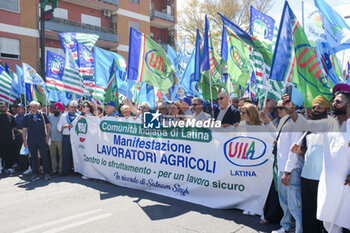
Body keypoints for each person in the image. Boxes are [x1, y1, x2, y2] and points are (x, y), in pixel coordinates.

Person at [290, 96, 330, 233]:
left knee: (323, 213)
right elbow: (307, 150)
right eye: (314, 107)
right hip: (307, 175)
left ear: (327, 109)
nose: (316, 109)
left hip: (324, 177)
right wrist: (299, 150)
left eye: (320, 107)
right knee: (308, 211)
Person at [272, 87, 304, 233]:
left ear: (294, 105)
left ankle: (298, 228)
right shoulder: (287, 121)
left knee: (294, 204)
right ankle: (287, 226)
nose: (283, 105)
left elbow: (294, 151)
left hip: (291, 169)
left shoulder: (299, 120)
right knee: (284, 202)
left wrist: (288, 172)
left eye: (287, 102)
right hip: (283, 168)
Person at [22, 101, 51, 181]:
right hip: (31, 141)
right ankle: (35, 173)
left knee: (44, 156)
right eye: (31, 107)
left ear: (38, 107)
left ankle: (47, 173)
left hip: (42, 139)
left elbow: (48, 126)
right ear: (29, 108)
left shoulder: (43, 115)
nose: (33, 109)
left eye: (35, 107)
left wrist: (48, 135)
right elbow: (24, 130)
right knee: (33, 157)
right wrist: (24, 141)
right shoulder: (27, 117)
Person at [57, 100, 79, 175]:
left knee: (76, 153)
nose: (73, 108)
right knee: (66, 154)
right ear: (68, 107)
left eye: (74, 107)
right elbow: (59, 128)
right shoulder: (63, 116)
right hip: (67, 136)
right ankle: (66, 170)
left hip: (76, 138)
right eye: (71, 107)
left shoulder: (79, 116)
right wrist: (66, 125)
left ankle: (76, 170)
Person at [0, 101, 17, 174]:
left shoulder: (11, 116)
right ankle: (0, 167)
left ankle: (8, 167)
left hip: (9, 139)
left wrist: (20, 131)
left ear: (6, 107)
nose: (1, 108)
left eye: (3, 107)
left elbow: (14, 127)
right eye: (0, 107)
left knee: (8, 153)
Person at [48, 102, 63, 175]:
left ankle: (60, 169)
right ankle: (54, 169)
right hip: (51, 139)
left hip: (60, 139)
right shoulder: (50, 117)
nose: (56, 110)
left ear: (61, 109)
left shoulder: (63, 116)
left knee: (61, 155)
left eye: (58, 109)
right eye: (55, 108)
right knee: (52, 155)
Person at [14, 103, 26, 171]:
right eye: (17, 108)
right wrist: (18, 130)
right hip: (17, 137)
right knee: (19, 152)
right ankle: (21, 166)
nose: (18, 109)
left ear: (23, 109)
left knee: (25, 152)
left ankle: (26, 166)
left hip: (25, 137)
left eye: (20, 108)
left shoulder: (26, 116)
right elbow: (13, 126)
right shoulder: (15, 117)